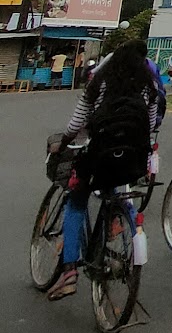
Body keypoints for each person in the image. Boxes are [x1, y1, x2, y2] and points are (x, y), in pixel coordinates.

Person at [46, 41, 158, 302]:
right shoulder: (149, 87)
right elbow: (150, 125)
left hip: (100, 155)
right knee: (118, 188)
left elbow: (76, 123)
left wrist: (62, 142)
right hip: (133, 158)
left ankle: (70, 272)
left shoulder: (101, 83)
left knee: (76, 201)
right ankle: (121, 222)